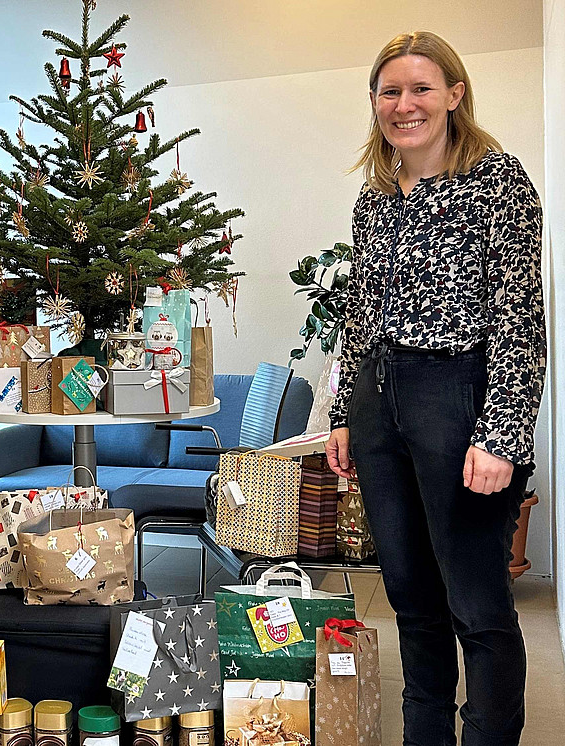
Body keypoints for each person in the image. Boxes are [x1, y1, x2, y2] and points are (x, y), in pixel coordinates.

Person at [325, 31, 545, 746]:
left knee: (476, 605)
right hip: (380, 402)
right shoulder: (375, 200)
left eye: (421, 88)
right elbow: (359, 316)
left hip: (458, 396)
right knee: (410, 600)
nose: (404, 104)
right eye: (390, 91)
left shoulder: (498, 182)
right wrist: (342, 414)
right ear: (374, 103)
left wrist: (501, 435)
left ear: (454, 95)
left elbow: (520, 317)